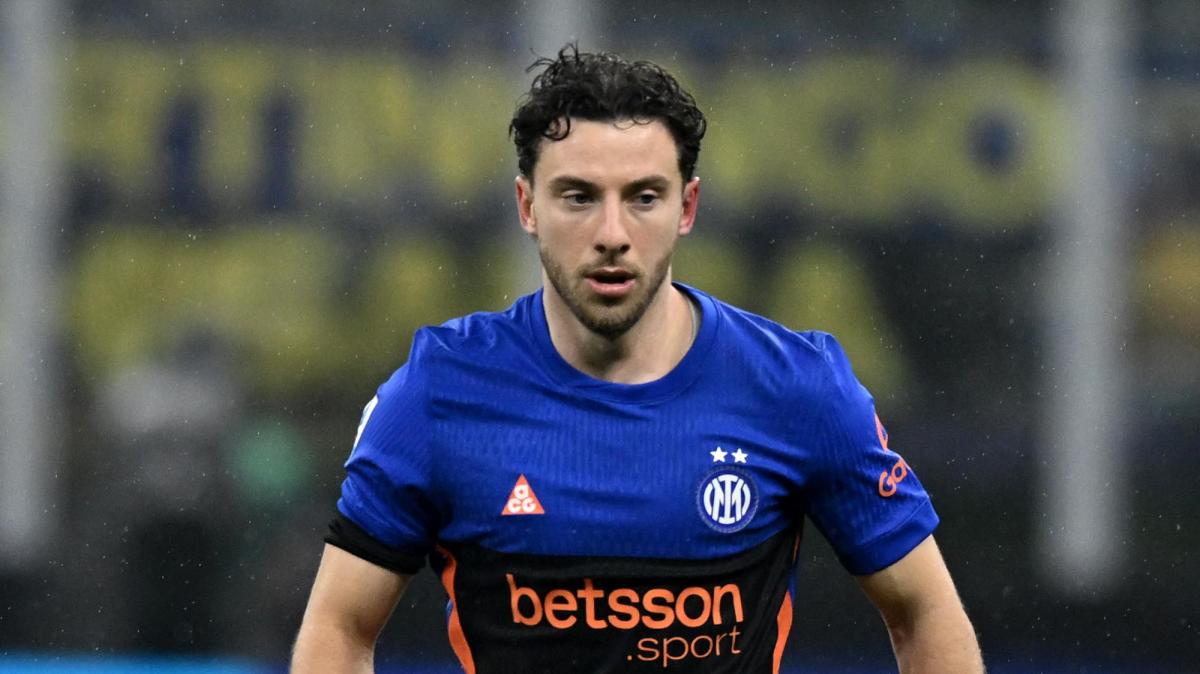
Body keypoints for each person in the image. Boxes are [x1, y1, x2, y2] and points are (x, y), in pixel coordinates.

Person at [291, 45, 984, 673]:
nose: (612, 234)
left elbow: (923, 612)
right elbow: (340, 628)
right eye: (578, 197)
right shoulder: (438, 392)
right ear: (527, 206)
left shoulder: (797, 387)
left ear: (687, 207)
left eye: (644, 198)